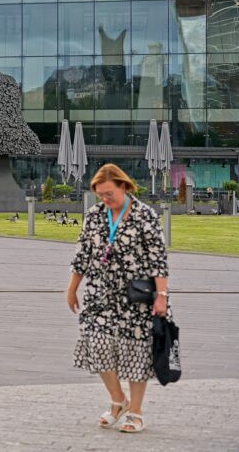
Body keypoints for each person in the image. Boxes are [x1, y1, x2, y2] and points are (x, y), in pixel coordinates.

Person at [66, 163, 170, 434]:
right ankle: (117, 400)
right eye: (101, 194)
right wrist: (72, 287)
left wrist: (162, 295)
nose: (105, 199)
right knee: (97, 345)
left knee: (136, 353)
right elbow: (83, 252)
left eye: (109, 193)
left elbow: (158, 258)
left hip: (136, 296)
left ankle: (135, 412)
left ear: (124, 186)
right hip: (99, 293)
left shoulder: (144, 215)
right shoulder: (95, 214)